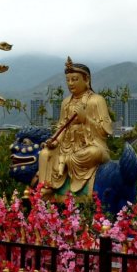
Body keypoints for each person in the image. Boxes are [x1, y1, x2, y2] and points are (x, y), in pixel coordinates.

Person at [35, 58, 112, 197]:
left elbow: (105, 130)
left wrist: (85, 119)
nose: (70, 84)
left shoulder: (97, 100)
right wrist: (54, 140)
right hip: (66, 147)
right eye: (68, 80)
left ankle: (64, 163)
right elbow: (62, 127)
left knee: (95, 153)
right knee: (45, 153)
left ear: (86, 79)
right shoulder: (66, 102)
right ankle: (45, 189)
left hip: (89, 146)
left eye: (75, 79)